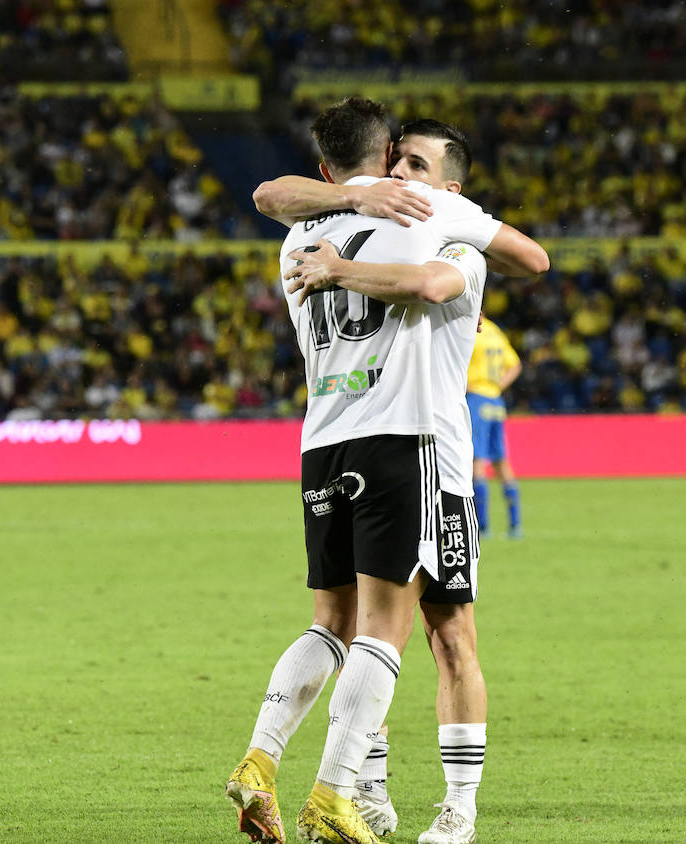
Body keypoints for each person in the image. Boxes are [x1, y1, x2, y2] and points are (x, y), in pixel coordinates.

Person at [225, 98, 525, 844]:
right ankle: (339, 790)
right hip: (409, 445)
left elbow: (267, 194)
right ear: (384, 153)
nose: (404, 174)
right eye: (400, 160)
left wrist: (346, 232)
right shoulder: (428, 221)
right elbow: (532, 256)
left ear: (326, 165)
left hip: (323, 443)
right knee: (389, 635)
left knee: (340, 624)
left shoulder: (299, 233)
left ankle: (267, 761)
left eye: (417, 166)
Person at [466, 317, 523, 538]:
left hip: (476, 398)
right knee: (501, 462)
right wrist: (497, 386)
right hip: (496, 401)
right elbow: (515, 365)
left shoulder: (471, 327)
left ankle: (482, 527)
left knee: (476, 461)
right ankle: (515, 525)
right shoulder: (496, 331)